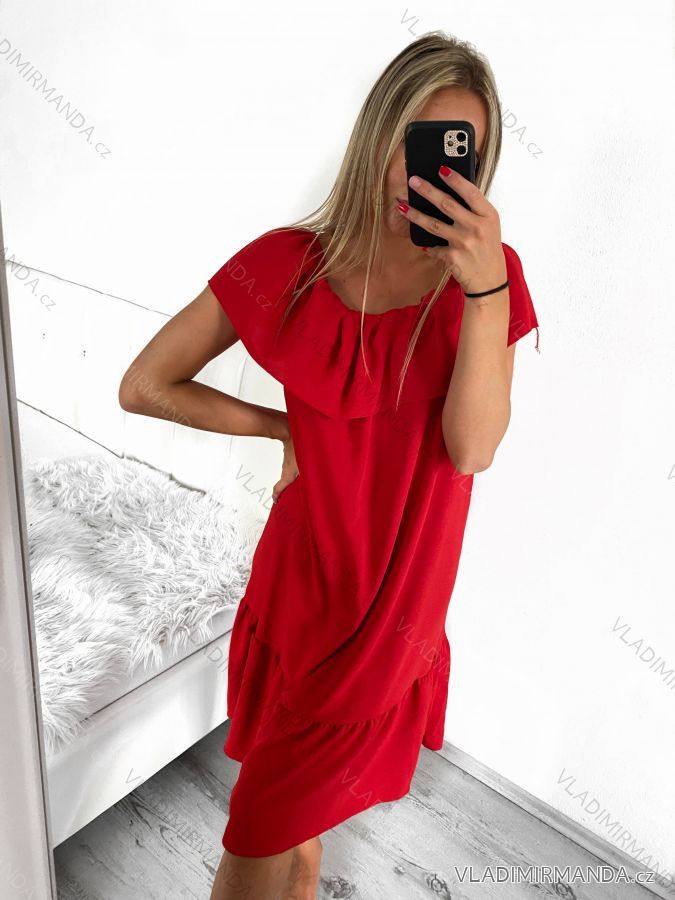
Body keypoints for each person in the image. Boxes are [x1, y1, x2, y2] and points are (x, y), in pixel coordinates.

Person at [119, 30, 540, 900]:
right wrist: (284, 429)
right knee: (269, 834)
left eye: (456, 150)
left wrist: (484, 292)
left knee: (269, 828)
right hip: (298, 584)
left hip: (395, 611)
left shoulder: (489, 284)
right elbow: (146, 385)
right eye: (416, 140)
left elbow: (472, 449)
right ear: (379, 133)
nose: (428, 170)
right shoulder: (287, 264)